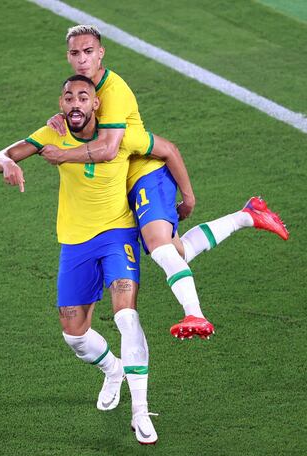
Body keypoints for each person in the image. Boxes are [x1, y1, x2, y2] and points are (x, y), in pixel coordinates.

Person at [43, 25, 289, 340]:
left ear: (101, 53)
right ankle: (248, 215)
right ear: (68, 56)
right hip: (123, 184)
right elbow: (81, 118)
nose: (82, 59)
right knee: (177, 250)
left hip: (145, 173)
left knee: (161, 248)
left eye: (88, 51)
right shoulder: (84, 92)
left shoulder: (114, 93)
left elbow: (111, 149)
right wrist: (60, 119)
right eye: (75, 53)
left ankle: (195, 314)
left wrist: (188, 198)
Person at [0, 75, 158, 445]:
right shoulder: (52, 133)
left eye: (84, 96)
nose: (75, 103)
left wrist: (178, 200)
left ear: (96, 104)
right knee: (74, 334)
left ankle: (140, 411)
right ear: (62, 105)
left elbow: (166, 150)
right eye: (69, 98)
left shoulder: (117, 136)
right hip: (75, 241)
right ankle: (113, 370)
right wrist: (6, 164)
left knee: (126, 316)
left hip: (118, 234)